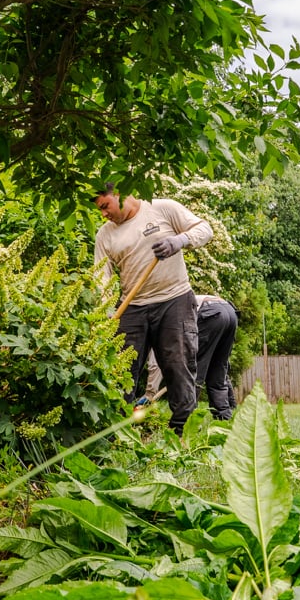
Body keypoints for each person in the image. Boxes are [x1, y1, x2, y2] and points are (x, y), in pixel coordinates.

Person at [93, 184, 212, 433]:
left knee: (178, 365)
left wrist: (180, 240)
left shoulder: (161, 208)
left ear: (120, 194)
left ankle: (182, 432)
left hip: (174, 300)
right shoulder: (105, 234)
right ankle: (119, 433)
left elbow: (205, 229)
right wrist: (104, 315)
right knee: (121, 370)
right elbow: (101, 277)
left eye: (105, 206)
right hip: (133, 307)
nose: (103, 214)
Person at [144, 293, 239, 420]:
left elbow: (155, 363)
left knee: (192, 371)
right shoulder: (174, 307)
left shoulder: (162, 326)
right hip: (229, 311)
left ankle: (188, 420)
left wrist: (149, 394)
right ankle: (224, 418)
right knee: (218, 369)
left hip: (209, 313)